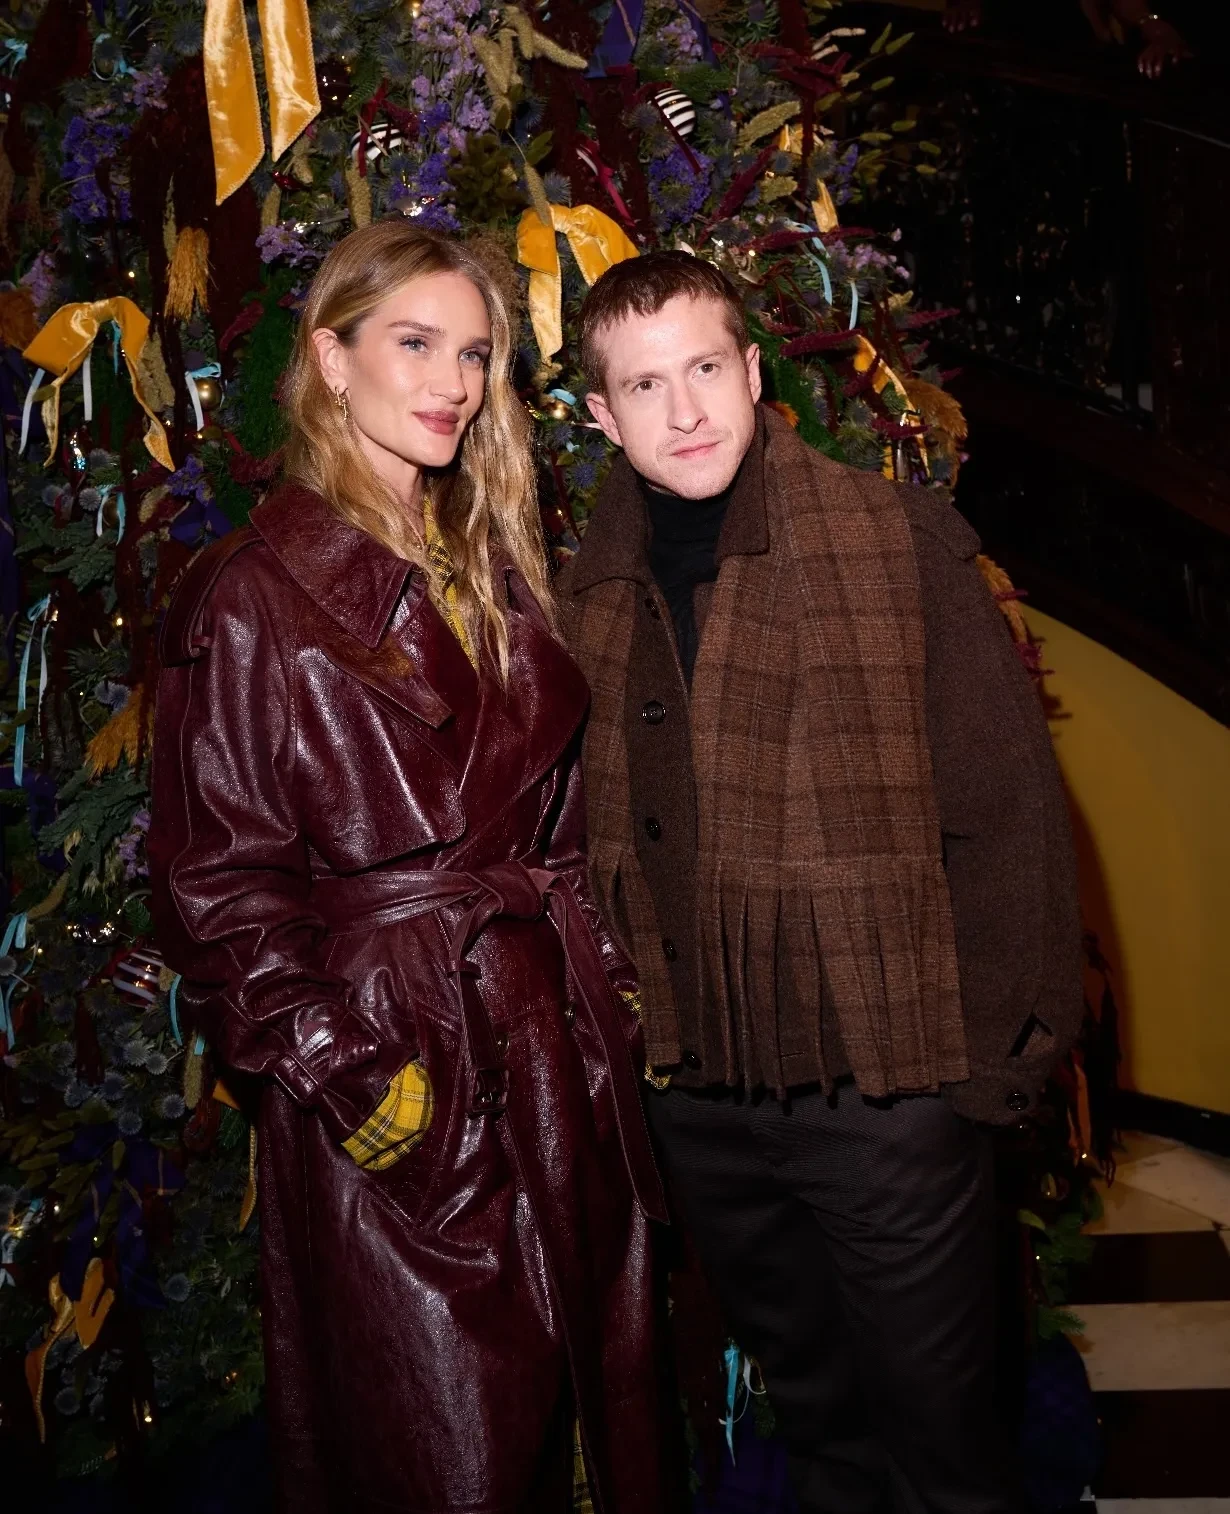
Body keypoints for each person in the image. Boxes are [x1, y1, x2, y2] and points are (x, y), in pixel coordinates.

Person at [147, 223, 668, 1514]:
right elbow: (216, 887)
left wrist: (610, 985)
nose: (452, 383)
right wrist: (355, 1078)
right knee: (444, 1453)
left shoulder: (492, 562)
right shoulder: (253, 592)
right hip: (398, 1057)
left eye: (475, 354)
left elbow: (556, 823)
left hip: (552, 1047)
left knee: (591, 1428)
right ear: (331, 358)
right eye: (415, 343)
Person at [557, 251, 1083, 1514]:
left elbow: (1010, 812)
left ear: (753, 371)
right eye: (645, 385)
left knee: (947, 1455)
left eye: (704, 367)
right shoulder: (580, 592)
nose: (686, 410)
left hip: (890, 1087)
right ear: (601, 416)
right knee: (824, 1431)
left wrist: (981, 1077)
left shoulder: (890, 540)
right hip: (702, 1097)